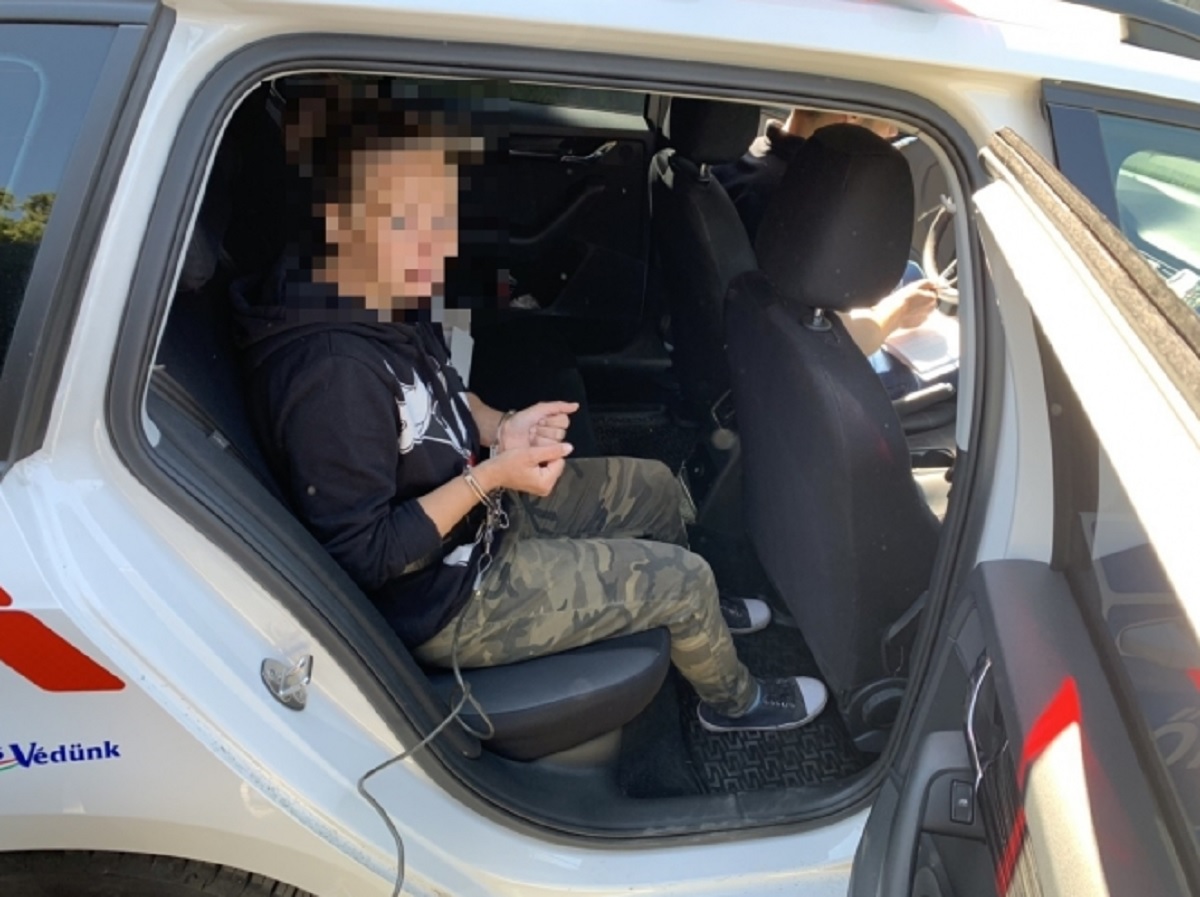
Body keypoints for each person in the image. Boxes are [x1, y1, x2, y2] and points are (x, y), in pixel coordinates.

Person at [231, 96, 828, 734]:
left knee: (655, 486)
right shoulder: (329, 373)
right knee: (683, 579)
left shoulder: (377, 290)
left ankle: (697, 616)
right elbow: (364, 554)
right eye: (409, 221)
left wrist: (501, 427)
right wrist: (490, 477)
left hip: (474, 519)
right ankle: (731, 703)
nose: (440, 241)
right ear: (338, 218)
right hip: (442, 599)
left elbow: (439, 398)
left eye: (442, 215)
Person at [714, 108, 942, 364]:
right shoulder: (803, 203)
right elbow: (836, 340)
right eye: (888, 118)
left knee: (910, 272)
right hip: (785, 357)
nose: (893, 131)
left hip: (739, 322)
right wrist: (901, 310)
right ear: (851, 115)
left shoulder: (746, 157)